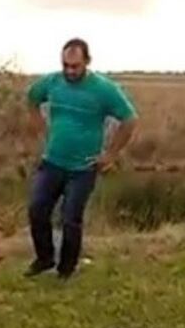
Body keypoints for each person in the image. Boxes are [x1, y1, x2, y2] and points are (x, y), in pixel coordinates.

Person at [25, 38, 139, 279]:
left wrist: (110, 154)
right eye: (65, 65)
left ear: (87, 62)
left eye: (75, 66)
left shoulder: (103, 89)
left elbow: (130, 120)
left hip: (83, 167)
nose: (69, 71)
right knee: (37, 210)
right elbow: (32, 99)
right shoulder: (53, 82)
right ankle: (44, 259)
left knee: (70, 218)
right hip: (52, 161)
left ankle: (66, 269)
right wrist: (42, 130)